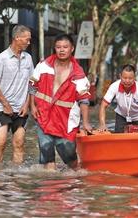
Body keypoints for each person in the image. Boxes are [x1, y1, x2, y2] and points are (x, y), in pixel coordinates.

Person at [29, 34, 92, 170]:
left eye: (65, 47)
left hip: (66, 121)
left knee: (71, 159)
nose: (61, 50)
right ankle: (50, 186)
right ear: (54, 48)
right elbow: (32, 85)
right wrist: (32, 106)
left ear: (72, 49)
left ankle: (75, 181)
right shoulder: (44, 65)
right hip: (43, 116)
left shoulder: (78, 73)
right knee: (47, 154)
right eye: (58, 47)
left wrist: (86, 123)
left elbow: (84, 100)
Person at [0, 25, 34, 168]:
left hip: (21, 108)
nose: (29, 42)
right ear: (17, 38)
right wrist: (6, 105)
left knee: (19, 143)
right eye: (27, 39)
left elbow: (32, 84)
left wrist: (27, 105)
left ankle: (15, 178)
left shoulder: (28, 58)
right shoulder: (2, 58)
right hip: (2, 108)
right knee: (1, 142)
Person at [98, 64, 138, 133]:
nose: (127, 81)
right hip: (122, 116)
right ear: (120, 76)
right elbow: (103, 105)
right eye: (125, 78)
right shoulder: (114, 86)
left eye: (130, 78)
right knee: (118, 138)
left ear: (134, 78)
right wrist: (102, 124)